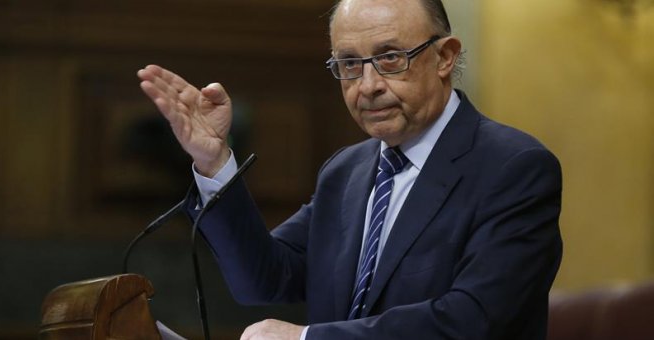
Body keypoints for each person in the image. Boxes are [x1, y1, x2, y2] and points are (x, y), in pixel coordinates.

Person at [137, 0, 563, 339]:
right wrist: (214, 161)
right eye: (349, 64)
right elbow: (264, 279)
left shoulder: (514, 168)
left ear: (445, 57)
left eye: (391, 57)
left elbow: (474, 320)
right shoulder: (347, 171)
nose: (369, 85)